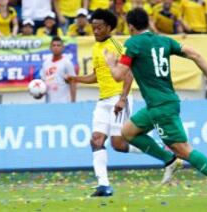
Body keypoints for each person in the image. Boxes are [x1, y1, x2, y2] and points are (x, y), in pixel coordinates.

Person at [104, 8, 207, 205]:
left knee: (184, 150)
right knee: (128, 132)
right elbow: (196, 54)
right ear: (148, 22)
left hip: (161, 107)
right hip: (160, 103)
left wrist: (110, 63)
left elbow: (118, 75)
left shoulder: (132, 43)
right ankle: (169, 160)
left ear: (131, 26)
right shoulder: (164, 41)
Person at [66, 9, 181, 197]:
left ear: (109, 28)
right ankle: (103, 185)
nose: (95, 31)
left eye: (99, 28)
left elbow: (128, 73)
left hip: (118, 98)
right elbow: (97, 76)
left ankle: (165, 154)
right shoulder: (96, 47)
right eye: (93, 28)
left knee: (118, 143)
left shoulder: (116, 46)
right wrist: (75, 79)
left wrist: (122, 98)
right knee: (96, 140)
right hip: (102, 100)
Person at [39, 36, 76, 103]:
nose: (56, 47)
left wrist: (73, 102)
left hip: (64, 102)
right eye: (54, 45)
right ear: (50, 48)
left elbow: (73, 82)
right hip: (49, 102)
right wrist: (39, 94)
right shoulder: (45, 63)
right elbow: (43, 82)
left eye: (58, 45)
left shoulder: (67, 63)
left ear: (63, 48)